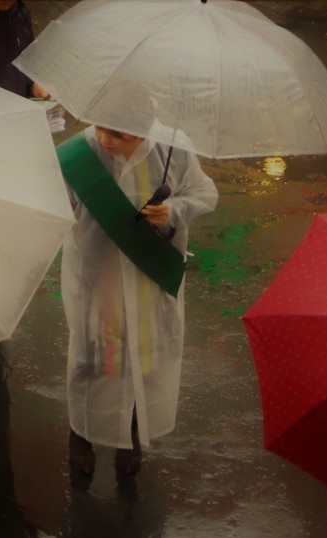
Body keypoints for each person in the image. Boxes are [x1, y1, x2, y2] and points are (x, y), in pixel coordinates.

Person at [59, 111, 218, 477]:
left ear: (143, 128)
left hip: (151, 273)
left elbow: (204, 192)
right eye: (100, 127)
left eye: (117, 133)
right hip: (98, 277)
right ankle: (81, 431)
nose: (105, 139)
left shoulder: (173, 149)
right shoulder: (78, 155)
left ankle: (131, 431)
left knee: (144, 356)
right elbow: (55, 205)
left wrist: (174, 210)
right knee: (92, 356)